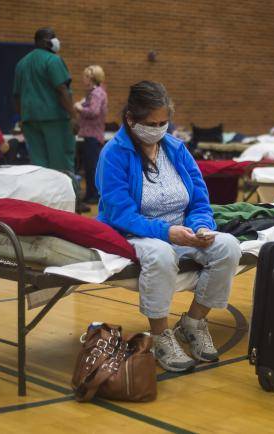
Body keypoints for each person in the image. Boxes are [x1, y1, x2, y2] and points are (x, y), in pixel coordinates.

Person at [96, 81, 242, 372]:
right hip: (133, 233)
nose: (158, 129)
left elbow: (199, 200)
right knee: (161, 254)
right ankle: (160, 335)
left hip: (181, 231)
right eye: (151, 124)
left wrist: (201, 227)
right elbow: (120, 214)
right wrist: (166, 233)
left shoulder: (176, 149)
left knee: (228, 246)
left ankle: (193, 323)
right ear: (131, 119)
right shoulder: (113, 154)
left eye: (163, 123)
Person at [13, 27, 78, 172]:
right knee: (61, 165)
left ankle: (42, 189)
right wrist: (73, 116)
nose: (55, 40)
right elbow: (62, 90)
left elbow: (16, 96)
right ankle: (64, 188)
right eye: (52, 37)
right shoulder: (53, 60)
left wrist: (21, 119)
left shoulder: (21, 64)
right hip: (55, 120)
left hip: (30, 121)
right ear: (43, 41)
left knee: (39, 166)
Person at [75, 65, 108, 204]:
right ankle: (90, 194)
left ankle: (93, 196)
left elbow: (94, 111)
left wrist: (79, 108)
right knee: (89, 167)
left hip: (93, 136)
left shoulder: (96, 93)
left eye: (86, 76)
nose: (84, 79)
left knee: (92, 168)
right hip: (91, 135)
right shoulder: (94, 92)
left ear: (92, 78)